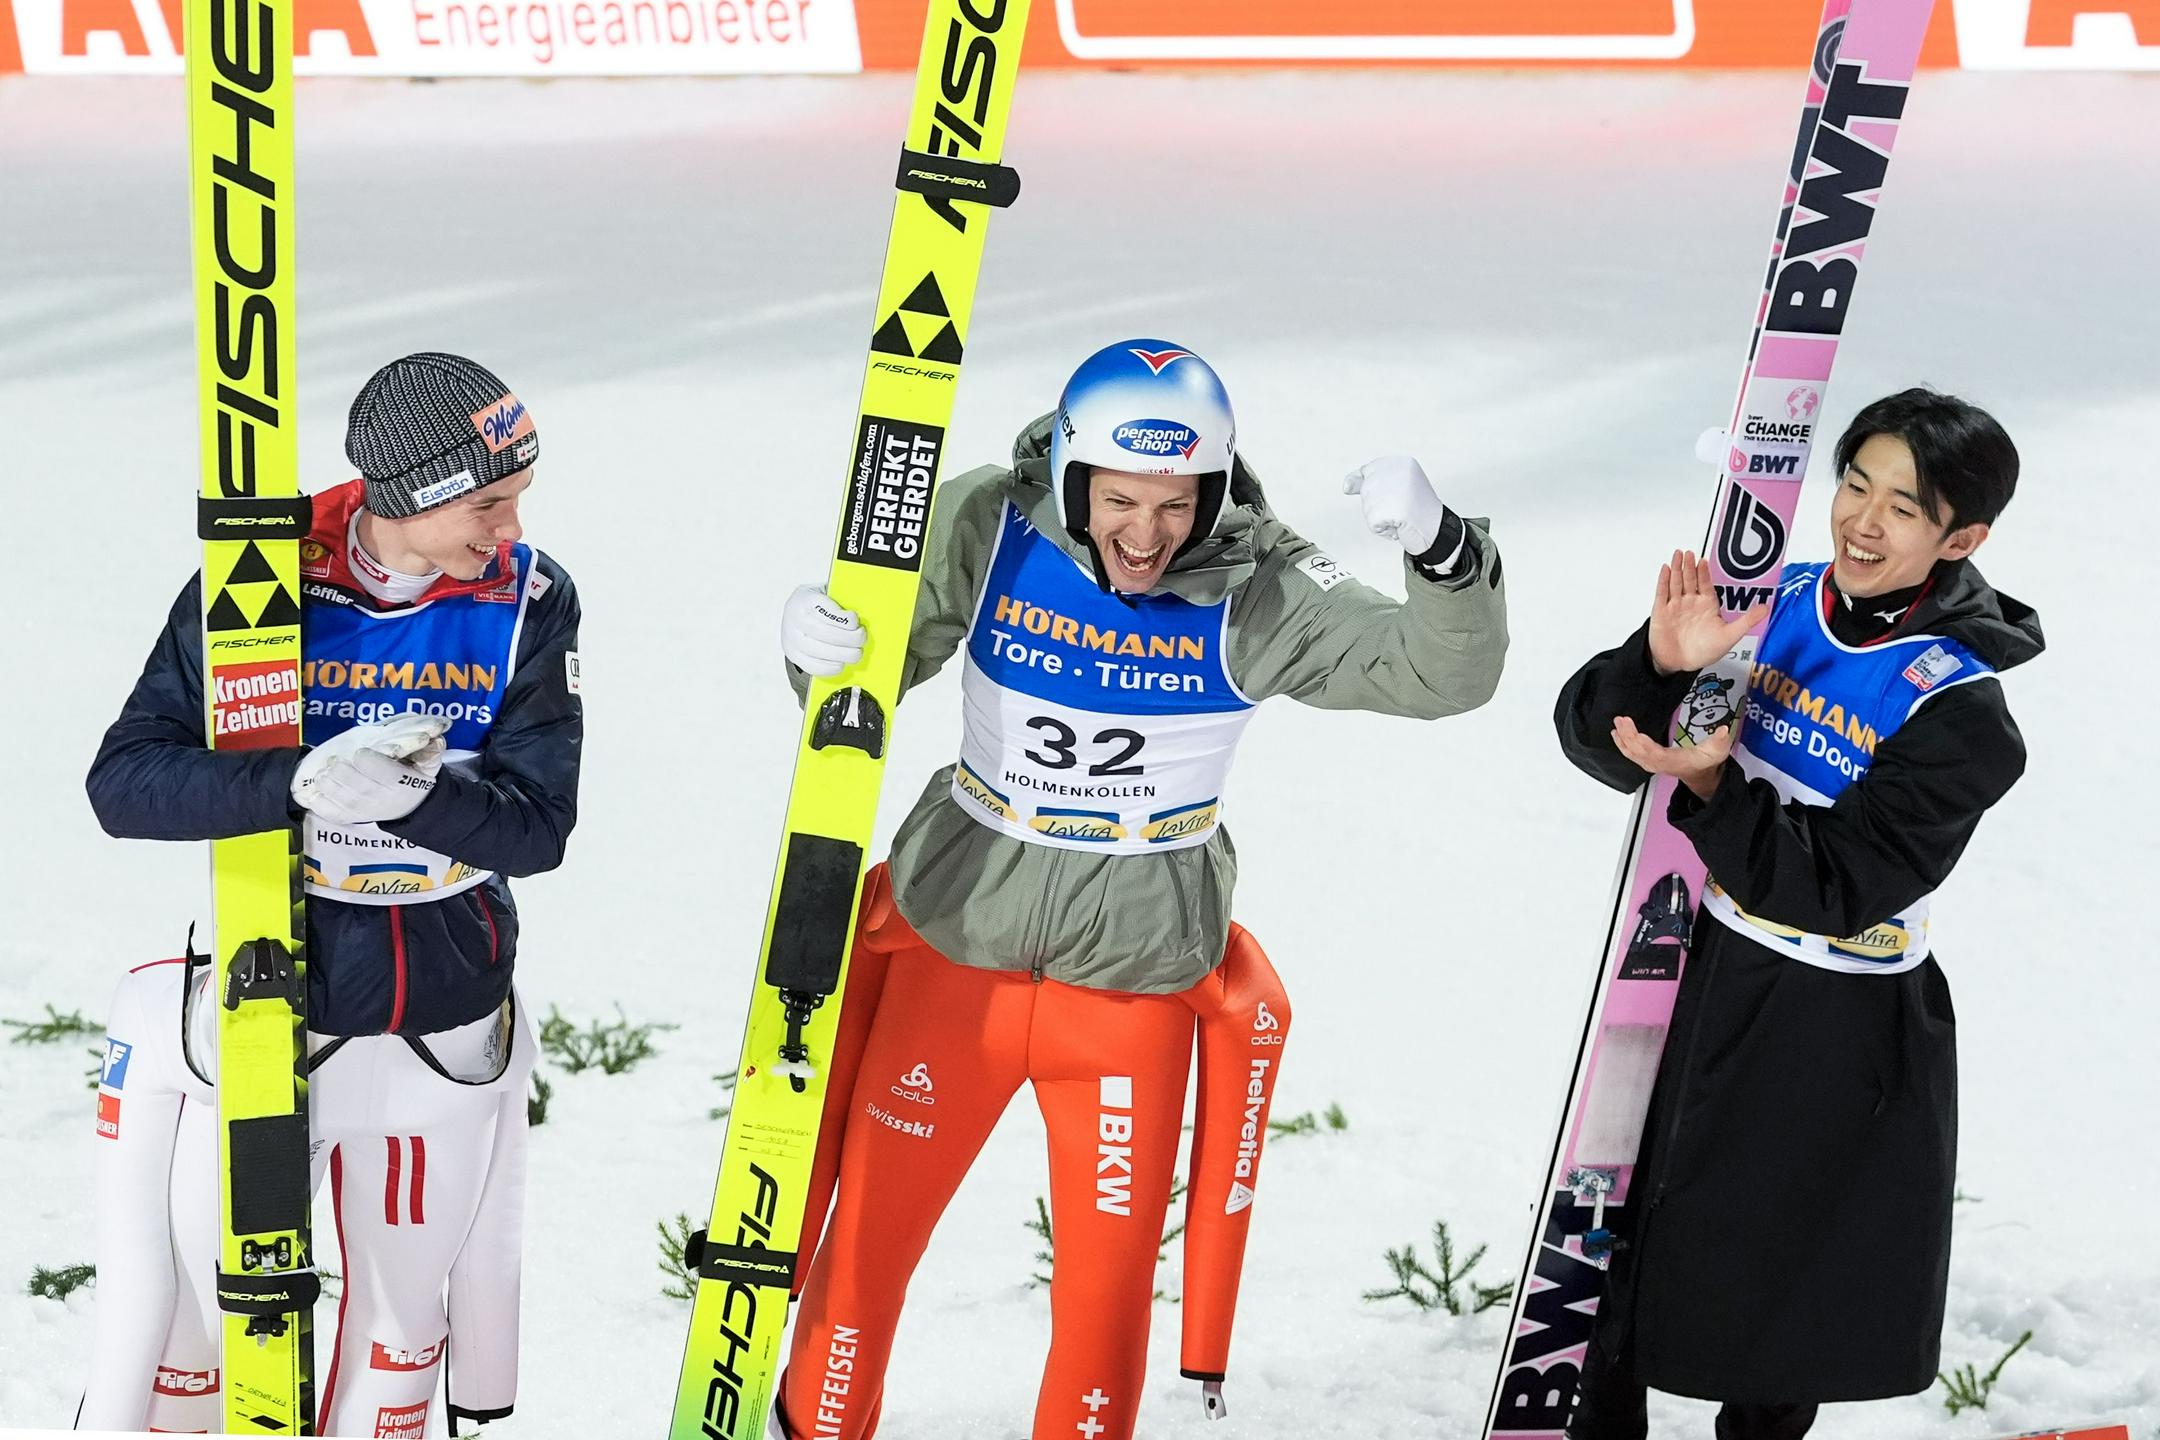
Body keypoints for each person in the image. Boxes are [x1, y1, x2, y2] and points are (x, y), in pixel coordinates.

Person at [771, 339, 1509, 1439]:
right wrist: (819, 646)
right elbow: (864, 678)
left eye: (1176, 502)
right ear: (1071, 474)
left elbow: (1440, 674)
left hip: (1131, 989)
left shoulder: (1261, 584)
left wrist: (1447, 556)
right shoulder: (992, 522)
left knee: (1105, 1304)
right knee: (863, 1259)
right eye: (1118, 500)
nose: (1147, 534)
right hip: (954, 953)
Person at [77, 352, 582, 1437]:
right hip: (275, 1006)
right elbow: (125, 784)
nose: (511, 528)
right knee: (208, 1327)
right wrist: (293, 782)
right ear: (409, 494)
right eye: (488, 503)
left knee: (402, 1332)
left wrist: (417, 802)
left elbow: (541, 827)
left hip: (442, 1009)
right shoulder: (261, 579)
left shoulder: (529, 599)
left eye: (519, 498)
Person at [1552, 388, 2041, 1439]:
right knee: (1614, 1235)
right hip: (1687, 964)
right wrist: (1661, 663)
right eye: (1856, 485)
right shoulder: (1771, 597)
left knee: (1782, 1285)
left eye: (1904, 508)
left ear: (1962, 539)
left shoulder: (1962, 713)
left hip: (1829, 1022)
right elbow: (1602, 744)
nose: (1863, 521)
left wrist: (1712, 786)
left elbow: (1836, 886)